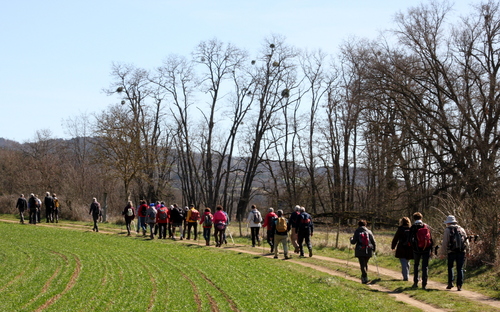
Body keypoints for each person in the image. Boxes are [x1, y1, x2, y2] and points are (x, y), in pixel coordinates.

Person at [439, 215, 468, 291]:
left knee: (450, 267)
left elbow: (445, 242)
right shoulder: (461, 229)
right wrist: (468, 250)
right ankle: (459, 285)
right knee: (460, 268)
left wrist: (442, 253)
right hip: (461, 251)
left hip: (451, 251)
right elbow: (466, 240)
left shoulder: (447, 230)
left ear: (448, 223)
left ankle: (450, 283)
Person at [410, 212, 434, 289]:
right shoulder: (426, 226)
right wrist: (431, 249)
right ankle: (424, 284)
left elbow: (410, 239)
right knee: (425, 266)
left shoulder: (413, 227)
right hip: (426, 249)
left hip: (416, 250)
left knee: (416, 265)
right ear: (421, 218)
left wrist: (413, 247)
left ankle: (415, 282)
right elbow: (431, 239)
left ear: (414, 218)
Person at [350, 219, 376, 284]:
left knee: (362, 264)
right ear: (365, 225)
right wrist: (374, 249)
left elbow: (353, 242)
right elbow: (373, 241)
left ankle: (364, 277)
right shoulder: (369, 231)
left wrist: (351, 239)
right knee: (365, 263)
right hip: (369, 249)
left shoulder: (357, 231)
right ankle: (364, 277)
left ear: (358, 225)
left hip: (360, 250)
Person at [391, 217, 414, 281]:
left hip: (402, 247)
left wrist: (393, 246)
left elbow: (396, 238)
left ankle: (405, 276)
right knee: (407, 262)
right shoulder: (411, 229)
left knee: (403, 262)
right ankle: (407, 274)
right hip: (410, 248)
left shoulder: (400, 229)